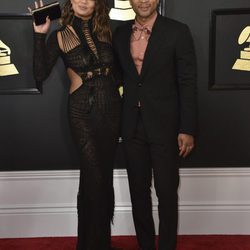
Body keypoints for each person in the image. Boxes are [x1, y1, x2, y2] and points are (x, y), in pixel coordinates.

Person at [29, 0, 121, 249]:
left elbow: (125, 72)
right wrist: (40, 35)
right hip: (81, 110)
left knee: (103, 175)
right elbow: (39, 73)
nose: (83, 1)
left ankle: (98, 242)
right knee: (94, 174)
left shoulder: (110, 31)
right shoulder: (60, 35)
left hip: (112, 108)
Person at [112, 0, 197, 249]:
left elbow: (187, 82)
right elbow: (117, 76)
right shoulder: (119, 34)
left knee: (167, 193)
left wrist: (187, 128)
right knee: (138, 195)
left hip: (166, 127)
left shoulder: (178, 31)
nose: (144, 1)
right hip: (131, 127)